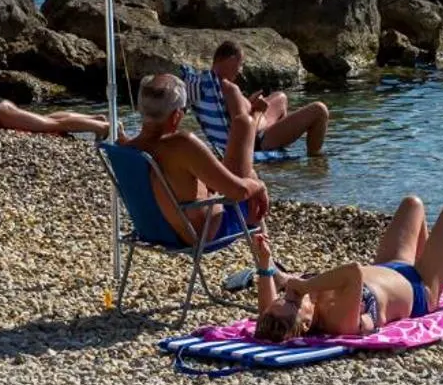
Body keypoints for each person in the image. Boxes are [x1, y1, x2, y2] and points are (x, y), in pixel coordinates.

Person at [249, 195, 443, 342]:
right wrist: (304, 285)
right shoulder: (340, 321)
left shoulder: (280, 314)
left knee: (412, 204)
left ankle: (435, 256)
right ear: (307, 322)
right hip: (419, 288)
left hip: (390, 266)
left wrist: (265, 267)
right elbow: (353, 272)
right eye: (292, 301)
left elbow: (267, 310)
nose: (289, 295)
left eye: (283, 298)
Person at [123, 72, 268, 246]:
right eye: (185, 110)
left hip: (153, 231)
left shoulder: (126, 148)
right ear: (177, 115)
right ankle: (269, 267)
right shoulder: (182, 144)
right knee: (245, 128)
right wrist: (260, 186)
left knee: (244, 132)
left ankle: (271, 268)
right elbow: (239, 192)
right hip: (203, 233)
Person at [189, 40, 329, 158]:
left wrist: (249, 104)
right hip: (258, 141)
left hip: (257, 128)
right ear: (231, 60)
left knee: (281, 97)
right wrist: (257, 111)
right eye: (240, 64)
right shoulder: (230, 90)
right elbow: (243, 133)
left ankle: (282, 143)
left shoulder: (205, 83)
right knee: (319, 110)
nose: (240, 70)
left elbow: (235, 115)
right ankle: (315, 158)